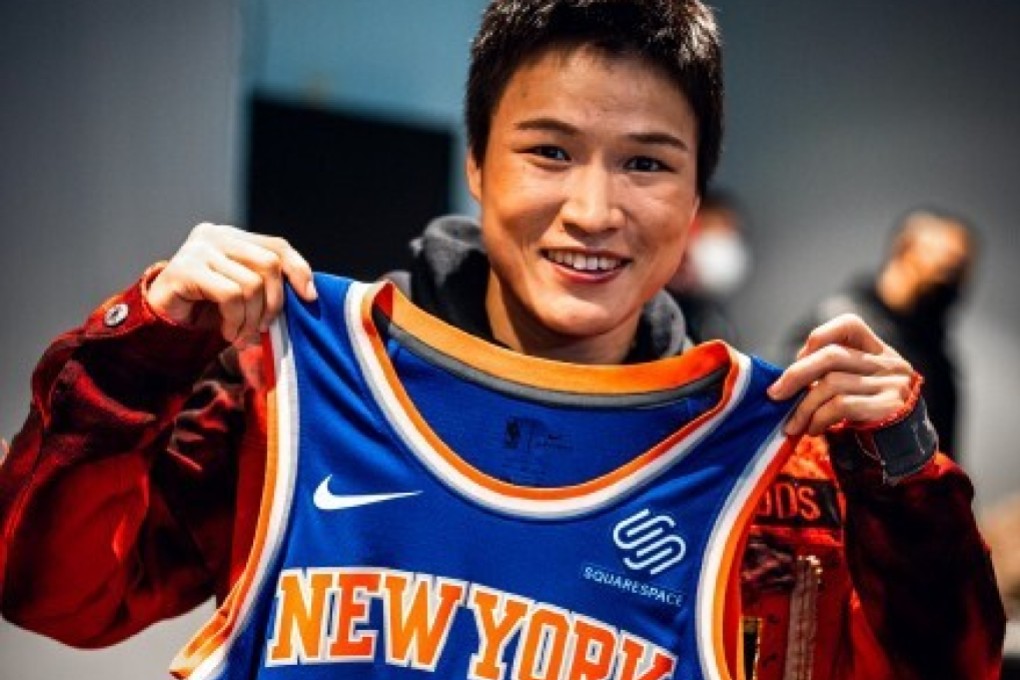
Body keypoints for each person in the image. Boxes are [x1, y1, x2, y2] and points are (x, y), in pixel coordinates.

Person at [0, 2, 1004, 679]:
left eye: (647, 164)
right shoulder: (295, 394)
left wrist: (904, 481)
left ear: (697, 195)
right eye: (550, 151)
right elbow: (54, 593)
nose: (594, 210)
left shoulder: (769, 470)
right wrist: (142, 348)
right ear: (477, 163)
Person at [781, 208, 978, 460]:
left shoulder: (939, 359)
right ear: (905, 251)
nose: (952, 284)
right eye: (947, 268)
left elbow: (945, 455)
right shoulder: (839, 323)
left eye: (961, 272)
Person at [664, 189, 750, 345]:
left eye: (730, 232)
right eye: (716, 228)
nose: (723, 243)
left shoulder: (710, 312)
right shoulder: (658, 309)